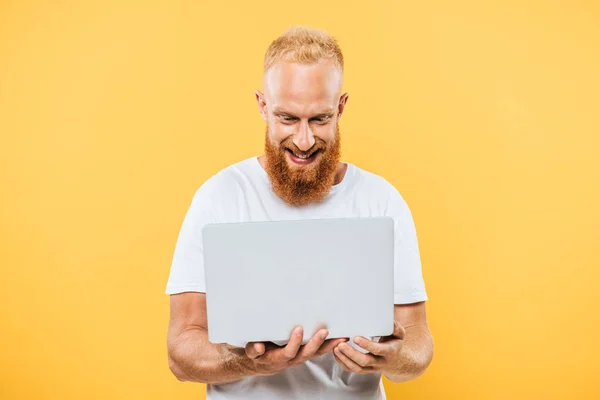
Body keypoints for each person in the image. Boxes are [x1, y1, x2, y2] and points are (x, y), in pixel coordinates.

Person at [165, 26, 434, 400]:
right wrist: (247, 363)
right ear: (262, 106)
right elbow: (180, 352)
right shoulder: (220, 198)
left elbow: (418, 347)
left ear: (340, 108)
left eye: (320, 119)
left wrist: (392, 357)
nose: (304, 141)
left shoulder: (381, 200)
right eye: (288, 118)